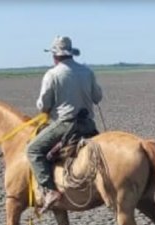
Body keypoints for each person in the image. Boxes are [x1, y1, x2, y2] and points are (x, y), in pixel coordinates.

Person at [26, 35, 103, 213]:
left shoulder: (52, 74)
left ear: (55, 55)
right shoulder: (87, 71)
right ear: (71, 54)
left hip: (65, 125)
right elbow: (98, 97)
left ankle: (49, 190)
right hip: (89, 125)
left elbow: (43, 106)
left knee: (33, 149)